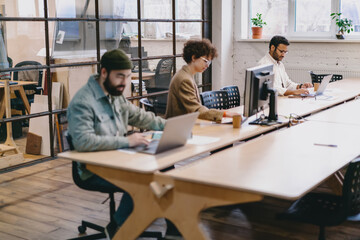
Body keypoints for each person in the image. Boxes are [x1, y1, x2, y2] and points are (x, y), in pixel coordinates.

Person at [67, 49, 167, 239]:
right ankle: (119, 228)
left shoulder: (115, 94)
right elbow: (83, 141)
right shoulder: (83, 102)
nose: (124, 82)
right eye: (119, 76)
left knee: (162, 177)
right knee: (144, 181)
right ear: (104, 73)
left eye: (128, 76)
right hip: (93, 170)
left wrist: (170, 126)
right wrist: (127, 141)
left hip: (119, 161)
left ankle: (166, 231)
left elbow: (139, 116)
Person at [165, 38, 240, 122]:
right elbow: (196, 110)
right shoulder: (184, 79)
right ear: (193, 58)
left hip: (186, 125)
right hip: (178, 128)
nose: (207, 65)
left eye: (209, 62)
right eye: (205, 61)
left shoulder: (187, 75)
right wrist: (224, 114)